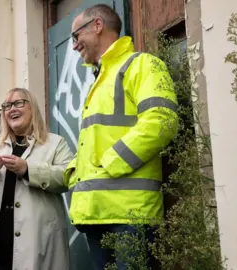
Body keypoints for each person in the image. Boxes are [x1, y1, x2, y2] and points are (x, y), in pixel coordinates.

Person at [64, 4, 179, 269]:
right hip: (96, 214)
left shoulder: (140, 65)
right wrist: (73, 172)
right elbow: (96, 142)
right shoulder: (100, 80)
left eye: (75, 37)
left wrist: (113, 162)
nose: (73, 46)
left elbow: (162, 120)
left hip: (130, 216)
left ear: (97, 25)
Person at [0, 88, 73, 270]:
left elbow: (67, 178)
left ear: (33, 108)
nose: (12, 109)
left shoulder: (54, 143)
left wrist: (28, 169)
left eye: (18, 103)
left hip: (36, 239)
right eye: (7, 106)